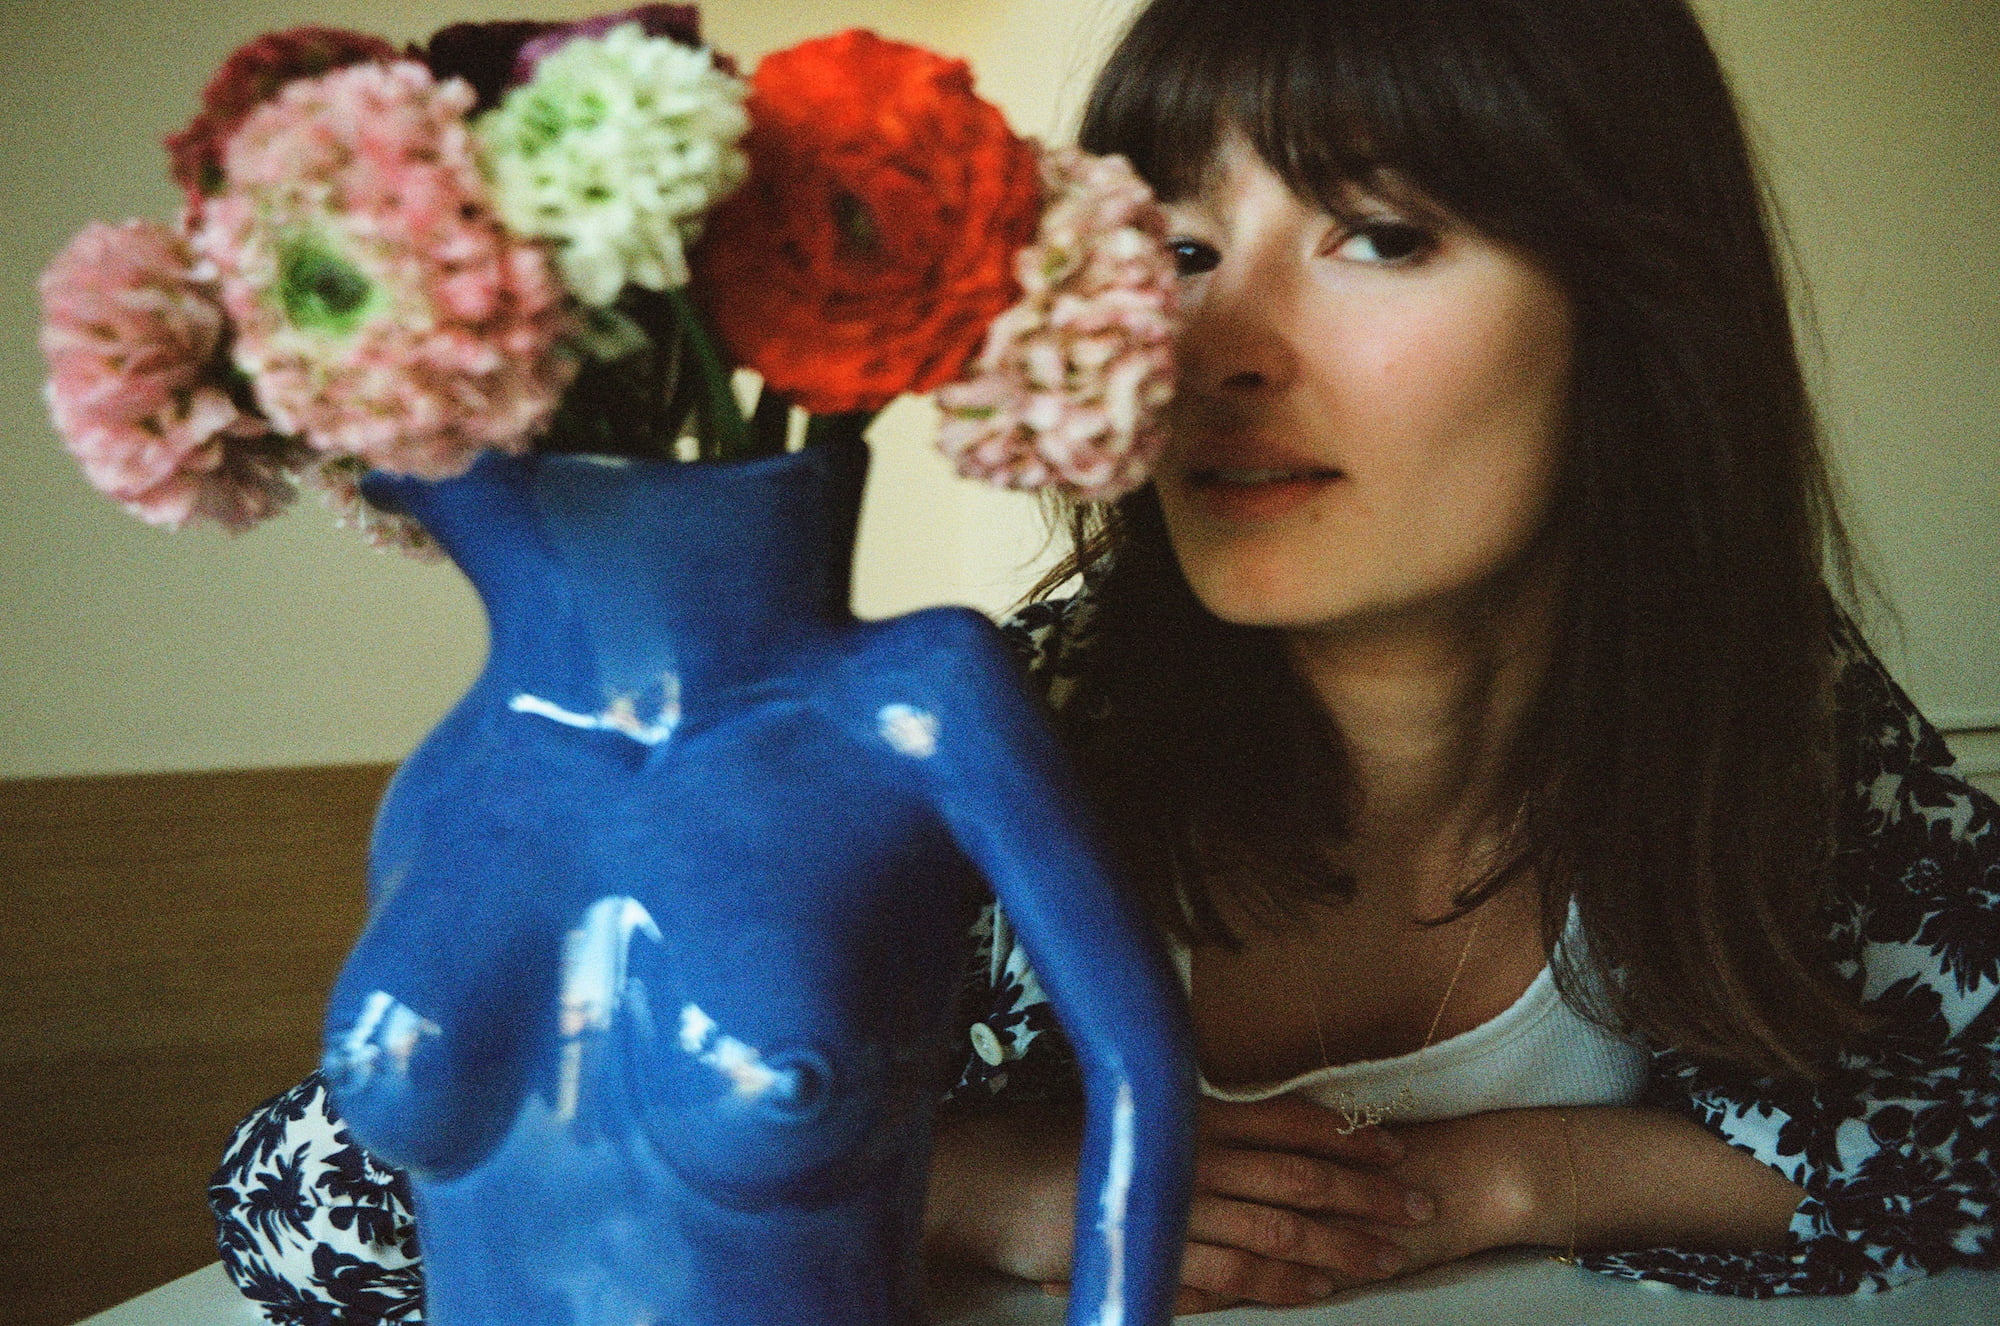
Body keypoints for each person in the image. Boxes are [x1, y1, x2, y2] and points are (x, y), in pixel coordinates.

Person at [211, 0, 1998, 1315]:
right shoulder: (970, 743)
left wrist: (1513, 1174)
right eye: (1182, 243)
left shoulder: (1772, 718)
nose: (1224, 338)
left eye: (1378, 233)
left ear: (1639, 312)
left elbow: (1968, 1124)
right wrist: (968, 1182)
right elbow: (313, 1204)